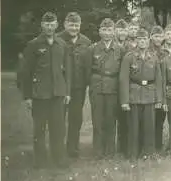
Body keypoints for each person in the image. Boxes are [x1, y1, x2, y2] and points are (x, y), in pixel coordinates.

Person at [21, 12, 71, 168]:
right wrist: (27, 96)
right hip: (39, 95)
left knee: (58, 129)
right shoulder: (33, 44)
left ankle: (59, 159)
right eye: (47, 24)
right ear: (42, 25)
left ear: (57, 25)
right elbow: (26, 72)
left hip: (58, 94)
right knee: (39, 130)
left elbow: (67, 71)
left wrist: (67, 92)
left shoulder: (62, 44)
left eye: (52, 24)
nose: (50, 27)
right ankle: (40, 161)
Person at [119, 28, 163, 160]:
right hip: (134, 95)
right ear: (136, 41)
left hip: (149, 95)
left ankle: (148, 153)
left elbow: (158, 79)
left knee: (149, 126)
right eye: (139, 39)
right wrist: (125, 101)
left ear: (148, 41)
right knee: (134, 126)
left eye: (144, 39)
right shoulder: (129, 57)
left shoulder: (153, 57)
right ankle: (133, 153)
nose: (142, 42)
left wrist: (159, 99)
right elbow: (123, 79)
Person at [84, 18, 124, 159]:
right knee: (97, 119)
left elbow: (123, 72)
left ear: (114, 32)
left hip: (113, 87)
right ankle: (98, 151)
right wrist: (92, 86)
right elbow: (87, 71)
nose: (107, 33)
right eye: (104, 30)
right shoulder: (92, 49)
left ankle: (110, 151)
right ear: (99, 31)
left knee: (111, 119)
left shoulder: (120, 49)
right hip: (97, 87)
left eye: (110, 30)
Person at [57, 12, 92, 158]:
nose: (74, 28)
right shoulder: (57, 39)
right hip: (60, 86)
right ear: (65, 24)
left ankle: (72, 149)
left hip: (78, 87)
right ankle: (58, 149)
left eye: (76, 25)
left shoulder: (86, 42)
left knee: (76, 118)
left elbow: (89, 66)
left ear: (80, 25)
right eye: (71, 25)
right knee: (58, 118)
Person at [148, 25, 167, 153]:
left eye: (160, 36)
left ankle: (158, 147)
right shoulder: (146, 51)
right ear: (150, 37)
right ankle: (148, 146)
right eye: (155, 36)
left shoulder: (166, 53)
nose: (158, 39)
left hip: (162, 89)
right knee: (148, 119)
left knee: (160, 119)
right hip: (149, 88)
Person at [114, 19, 130, 157]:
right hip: (113, 84)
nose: (122, 33)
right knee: (112, 115)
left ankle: (124, 146)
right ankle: (114, 145)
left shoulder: (131, 46)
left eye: (124, 30)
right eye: (119, 30)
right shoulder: (112, 45)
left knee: (126, 117)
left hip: (127, 85)